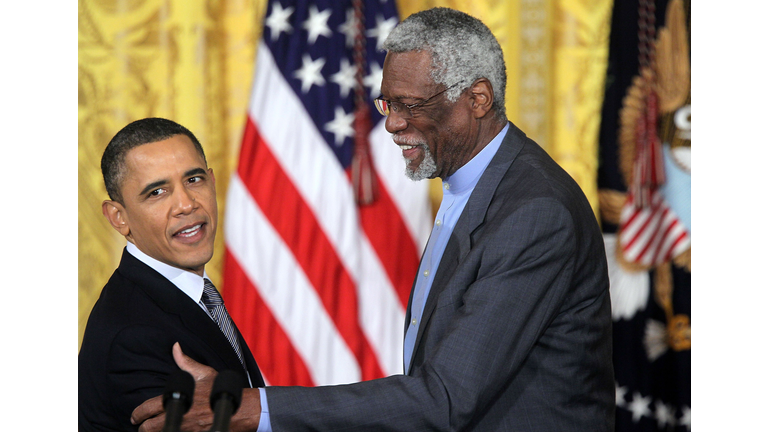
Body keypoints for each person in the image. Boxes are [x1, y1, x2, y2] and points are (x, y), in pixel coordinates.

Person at [132, 7, 614, 431]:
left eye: (411, 106)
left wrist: (256, 409)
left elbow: (446, 399)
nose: (392, 123)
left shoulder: (533, 213)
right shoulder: (470, 184)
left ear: (478, 98)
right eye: (388, 103)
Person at [79, 118, 265, 431]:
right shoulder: (133, 337)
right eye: (157, 192)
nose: (186, 204)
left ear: (212, 181)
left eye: (193, 180)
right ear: (118, 217)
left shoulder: (189, 294)